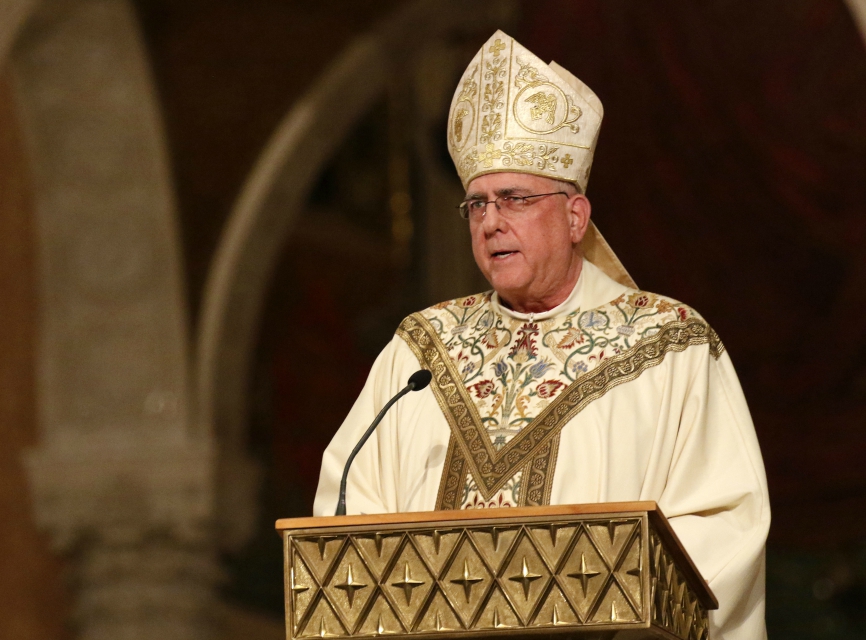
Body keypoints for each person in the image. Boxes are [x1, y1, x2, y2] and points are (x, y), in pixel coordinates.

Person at [314, 30, 769, 639]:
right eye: (476, 205)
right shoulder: (419, 350)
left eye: (514, 198)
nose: (491, 222)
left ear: (575, 216)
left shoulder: (670, 348)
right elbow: (349, 510)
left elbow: (723, 525)